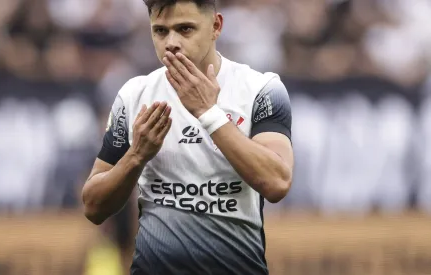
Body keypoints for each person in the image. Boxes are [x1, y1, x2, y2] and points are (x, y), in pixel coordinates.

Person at [81, 0, 294, 274]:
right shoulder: (134, 96)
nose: (171, 42)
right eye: (160, 31)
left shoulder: (261, 90)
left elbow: (277, 182)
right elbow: (93, 207)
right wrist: (136, 157)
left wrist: (208, 113)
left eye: (185, 29)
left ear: (216, 26)